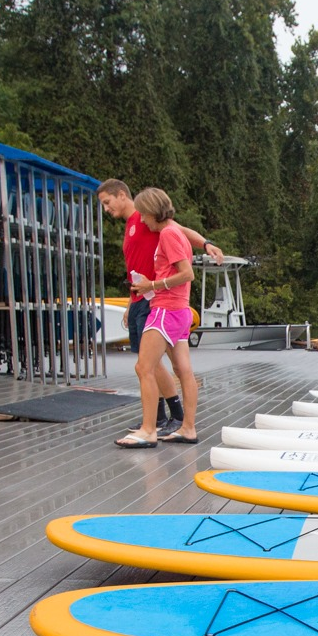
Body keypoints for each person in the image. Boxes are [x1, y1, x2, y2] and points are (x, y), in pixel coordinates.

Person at [97, 178, 219, 437]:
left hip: (160, 301)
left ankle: (159, 423)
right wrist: (132, 300)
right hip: (145, 298)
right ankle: (170, 421)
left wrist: (206, 243)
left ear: (121, 195)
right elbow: (135, 267)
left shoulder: (152, 222)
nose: (106, 209)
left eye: (107, 202)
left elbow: (181, 233)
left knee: (147, 365)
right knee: (160, 365)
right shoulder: (135, 224)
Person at [116, 188, 200, 449]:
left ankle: (148, 430)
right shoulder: (175, 232)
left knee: (144, 367)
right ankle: (187, 428)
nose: (141, 220)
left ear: (152, 212)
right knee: (183, 370)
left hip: (165, 309)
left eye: (142, 214)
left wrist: (153, 284)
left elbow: (187, 274)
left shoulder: (168, 234)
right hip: (180, 311)